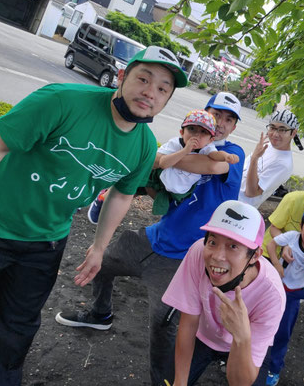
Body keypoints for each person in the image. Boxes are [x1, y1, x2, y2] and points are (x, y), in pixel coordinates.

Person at [0, 45, 188, 385]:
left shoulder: (144, 145)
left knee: (19, 324)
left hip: (46, 242)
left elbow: (121, 194)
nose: (150, 92)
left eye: (162, 88)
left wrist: (99, 247)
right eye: (143, 79)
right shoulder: (62, 100)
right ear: (121, 76)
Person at [55, 92, 246, 386]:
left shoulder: (231, 152)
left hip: (183, 258)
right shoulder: (188, 139)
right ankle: (100, 313)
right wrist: (159, 162)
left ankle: (162, 381)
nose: (221, 123)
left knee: (162, 324)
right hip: (153, 237)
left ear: (234, 127)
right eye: (216, 114)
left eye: (229, 119)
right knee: (103, 264)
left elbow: (209, 167)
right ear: (203, 113)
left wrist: (163, 159)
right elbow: (162, 191)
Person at [162, 200, 285, 386]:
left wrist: (241, 335)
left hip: (246, 344)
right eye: (212, 242)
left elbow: (240, 383)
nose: (217, 256)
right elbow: (188, 323)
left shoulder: (272, 294)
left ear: (255, 255)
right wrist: (180, 381)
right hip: (201, 335)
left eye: (233, 246)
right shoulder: (198, 253)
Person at [264, 206, 304, 386]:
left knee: (283, 333)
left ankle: (273, 369)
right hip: (276, 287)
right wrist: (276, 264)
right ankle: (253, 356)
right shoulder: (292, 237)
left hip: (293, 295)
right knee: (262, 321)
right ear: (301, 226)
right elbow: (271, 244)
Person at [147, 109, 239, 215]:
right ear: (182, 132)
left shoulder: (207, 147)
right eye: (191, 129)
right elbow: (163, 163)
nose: (196, 135)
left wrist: (226, 156)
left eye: (203, 132)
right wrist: (185, 150)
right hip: (162, 180)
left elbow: (215, 155)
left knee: (173, 205)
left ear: (210, 140)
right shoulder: (175, 144)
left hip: (183, 190)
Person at [239, 109, 303, 208]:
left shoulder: (284, 164)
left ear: (293, 133)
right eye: (272, 128)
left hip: (239, 208)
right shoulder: (267, 145)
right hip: (227, 196)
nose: (275, 134)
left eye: (282, 130)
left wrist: (254, 159)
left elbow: (251, 192)